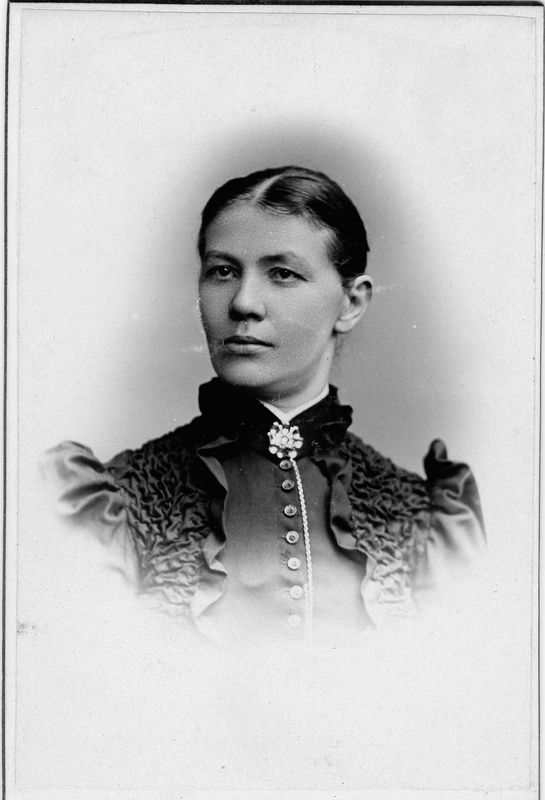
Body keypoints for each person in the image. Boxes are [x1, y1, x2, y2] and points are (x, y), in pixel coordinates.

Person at [45, 165, 485, 646]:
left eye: (282, 274)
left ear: (351, 304)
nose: (243, 303)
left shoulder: (418, 520)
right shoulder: (120, 505)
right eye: (223, 271)